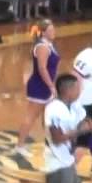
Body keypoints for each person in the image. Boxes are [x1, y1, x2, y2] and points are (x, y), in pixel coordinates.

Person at [15, 21, 60, 156]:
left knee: (47, 116)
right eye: (50, 30)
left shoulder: (49, 45)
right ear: (43, 32)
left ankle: (48, 144)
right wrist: (51, 86)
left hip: (46, 84)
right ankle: (19, 145)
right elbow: (42, 68)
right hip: (39, 85)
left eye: (54, 29)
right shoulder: (42, 47)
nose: (53, 32)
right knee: (31, 116)